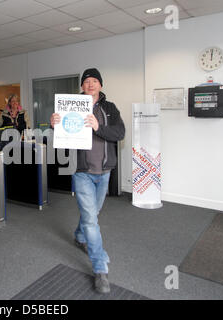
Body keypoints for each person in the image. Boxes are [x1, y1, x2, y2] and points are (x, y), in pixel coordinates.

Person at [50, 68, 125, 294]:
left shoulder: (109, 108)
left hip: (104, 171)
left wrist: (98, 127)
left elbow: (119, 133)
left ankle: (79, 236)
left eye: (94, 81)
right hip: (82, 171)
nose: (90, 84)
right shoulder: (71, 106)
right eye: (86, 81)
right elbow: (63, 133)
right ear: (81, 86)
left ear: (100, 85)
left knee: (93, 213)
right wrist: (54, 123)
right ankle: (100, 268)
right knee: (91, 218)